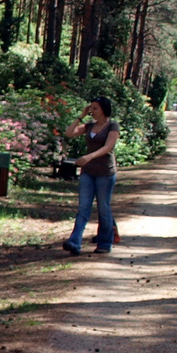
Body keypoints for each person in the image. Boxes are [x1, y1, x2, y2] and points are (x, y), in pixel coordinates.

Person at [61, 96, 119, 255]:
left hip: (105, 173)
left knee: (103, 207)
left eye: (95, 108)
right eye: (91, 108)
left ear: (103, 110)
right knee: (83, 207)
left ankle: (105, 242)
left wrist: (89, 157)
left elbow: (108, 147)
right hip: (88, 172)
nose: (92, 111)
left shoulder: (112, 126)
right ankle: (74, 241)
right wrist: (81, 115)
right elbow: (69, 133)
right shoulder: (89, 126)